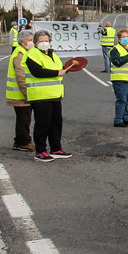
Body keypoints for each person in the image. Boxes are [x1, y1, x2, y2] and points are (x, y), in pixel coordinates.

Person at [23, 31, 76, 162]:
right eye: (41, 41)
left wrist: (68, 67)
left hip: (55, 95)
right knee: (42, 124)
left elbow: (60, 69)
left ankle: (56, 149)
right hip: (40, 96)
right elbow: (38, 72)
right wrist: (57, 72)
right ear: (35, 43)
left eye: (46, 41)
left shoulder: (53, 55)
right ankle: (40, 151)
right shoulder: (32, 55)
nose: (44, 43)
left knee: (56, 123)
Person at [6, 29, 34, 152]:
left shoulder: (25, 52)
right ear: (22, 42)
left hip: (22, 94)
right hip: (20, 95)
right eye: (30, 40)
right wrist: (29, 94)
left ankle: (21, 141)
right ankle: (23, 142)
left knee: (24, 119)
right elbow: (21, 77)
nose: (32, 43)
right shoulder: (20, 55)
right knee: (24, 120)